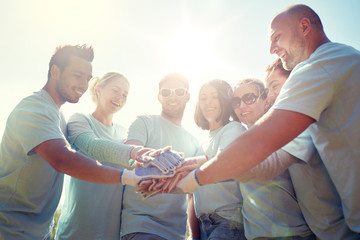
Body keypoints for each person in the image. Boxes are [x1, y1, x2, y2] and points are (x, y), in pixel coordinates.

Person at [174, 4, 360, 235]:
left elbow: (260, 150)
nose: (272, 48)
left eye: (277, 37)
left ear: (304, 27)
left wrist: (196, 179)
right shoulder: (346, 57)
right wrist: (206, 163)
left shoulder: (316, 67)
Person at [0, 45, 151, 239]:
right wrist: (128, 174)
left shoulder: (58, 116)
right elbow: (63, 158)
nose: (83, 84)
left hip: (38, 231)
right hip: (9, 228)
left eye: (87, 79)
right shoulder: (34, 108)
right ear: (55, 72)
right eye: (77, 76)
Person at [265, 59, 356, 239]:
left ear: (294, 83)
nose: (270, 96)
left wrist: (207, 167)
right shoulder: (289, 127)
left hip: (342, 233)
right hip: (322, 232)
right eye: (268, 90)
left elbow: (269, 162)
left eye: (275, 87)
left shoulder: (303, 127)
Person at [120, 73, 199, 240]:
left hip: (176, 233)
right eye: (166, 92)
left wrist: (194, 235)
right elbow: (129, 157)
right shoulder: (144, 123)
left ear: (188, 96)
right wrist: (158, 162)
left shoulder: (193, 142)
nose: (172, 96)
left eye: (178, 91)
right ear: (159, 97)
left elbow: (193, 193)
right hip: (141, 226)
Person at [233, 78, 315, 239]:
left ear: (265, 101)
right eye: (236, 102)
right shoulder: (241, 141)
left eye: (249, 98)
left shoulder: (283, 132)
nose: (242, 106)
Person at [55, 72, 131, 239]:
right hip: (76, 230)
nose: (120, 97)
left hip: (110, 233)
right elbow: (93, 147)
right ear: (99, 89)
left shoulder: (123, 133)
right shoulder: (79, 120)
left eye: (125, 94)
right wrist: (134, 153)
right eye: (116, 90)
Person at [191, 79, 246, 239]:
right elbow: (193, 196)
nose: (208, 102)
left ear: (224, 100)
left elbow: (222, 160)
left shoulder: (233, 128)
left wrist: (184, 165)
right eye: (203, 98)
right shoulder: (201, 142)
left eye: (214, 96)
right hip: (203, 225)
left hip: (228, 223)